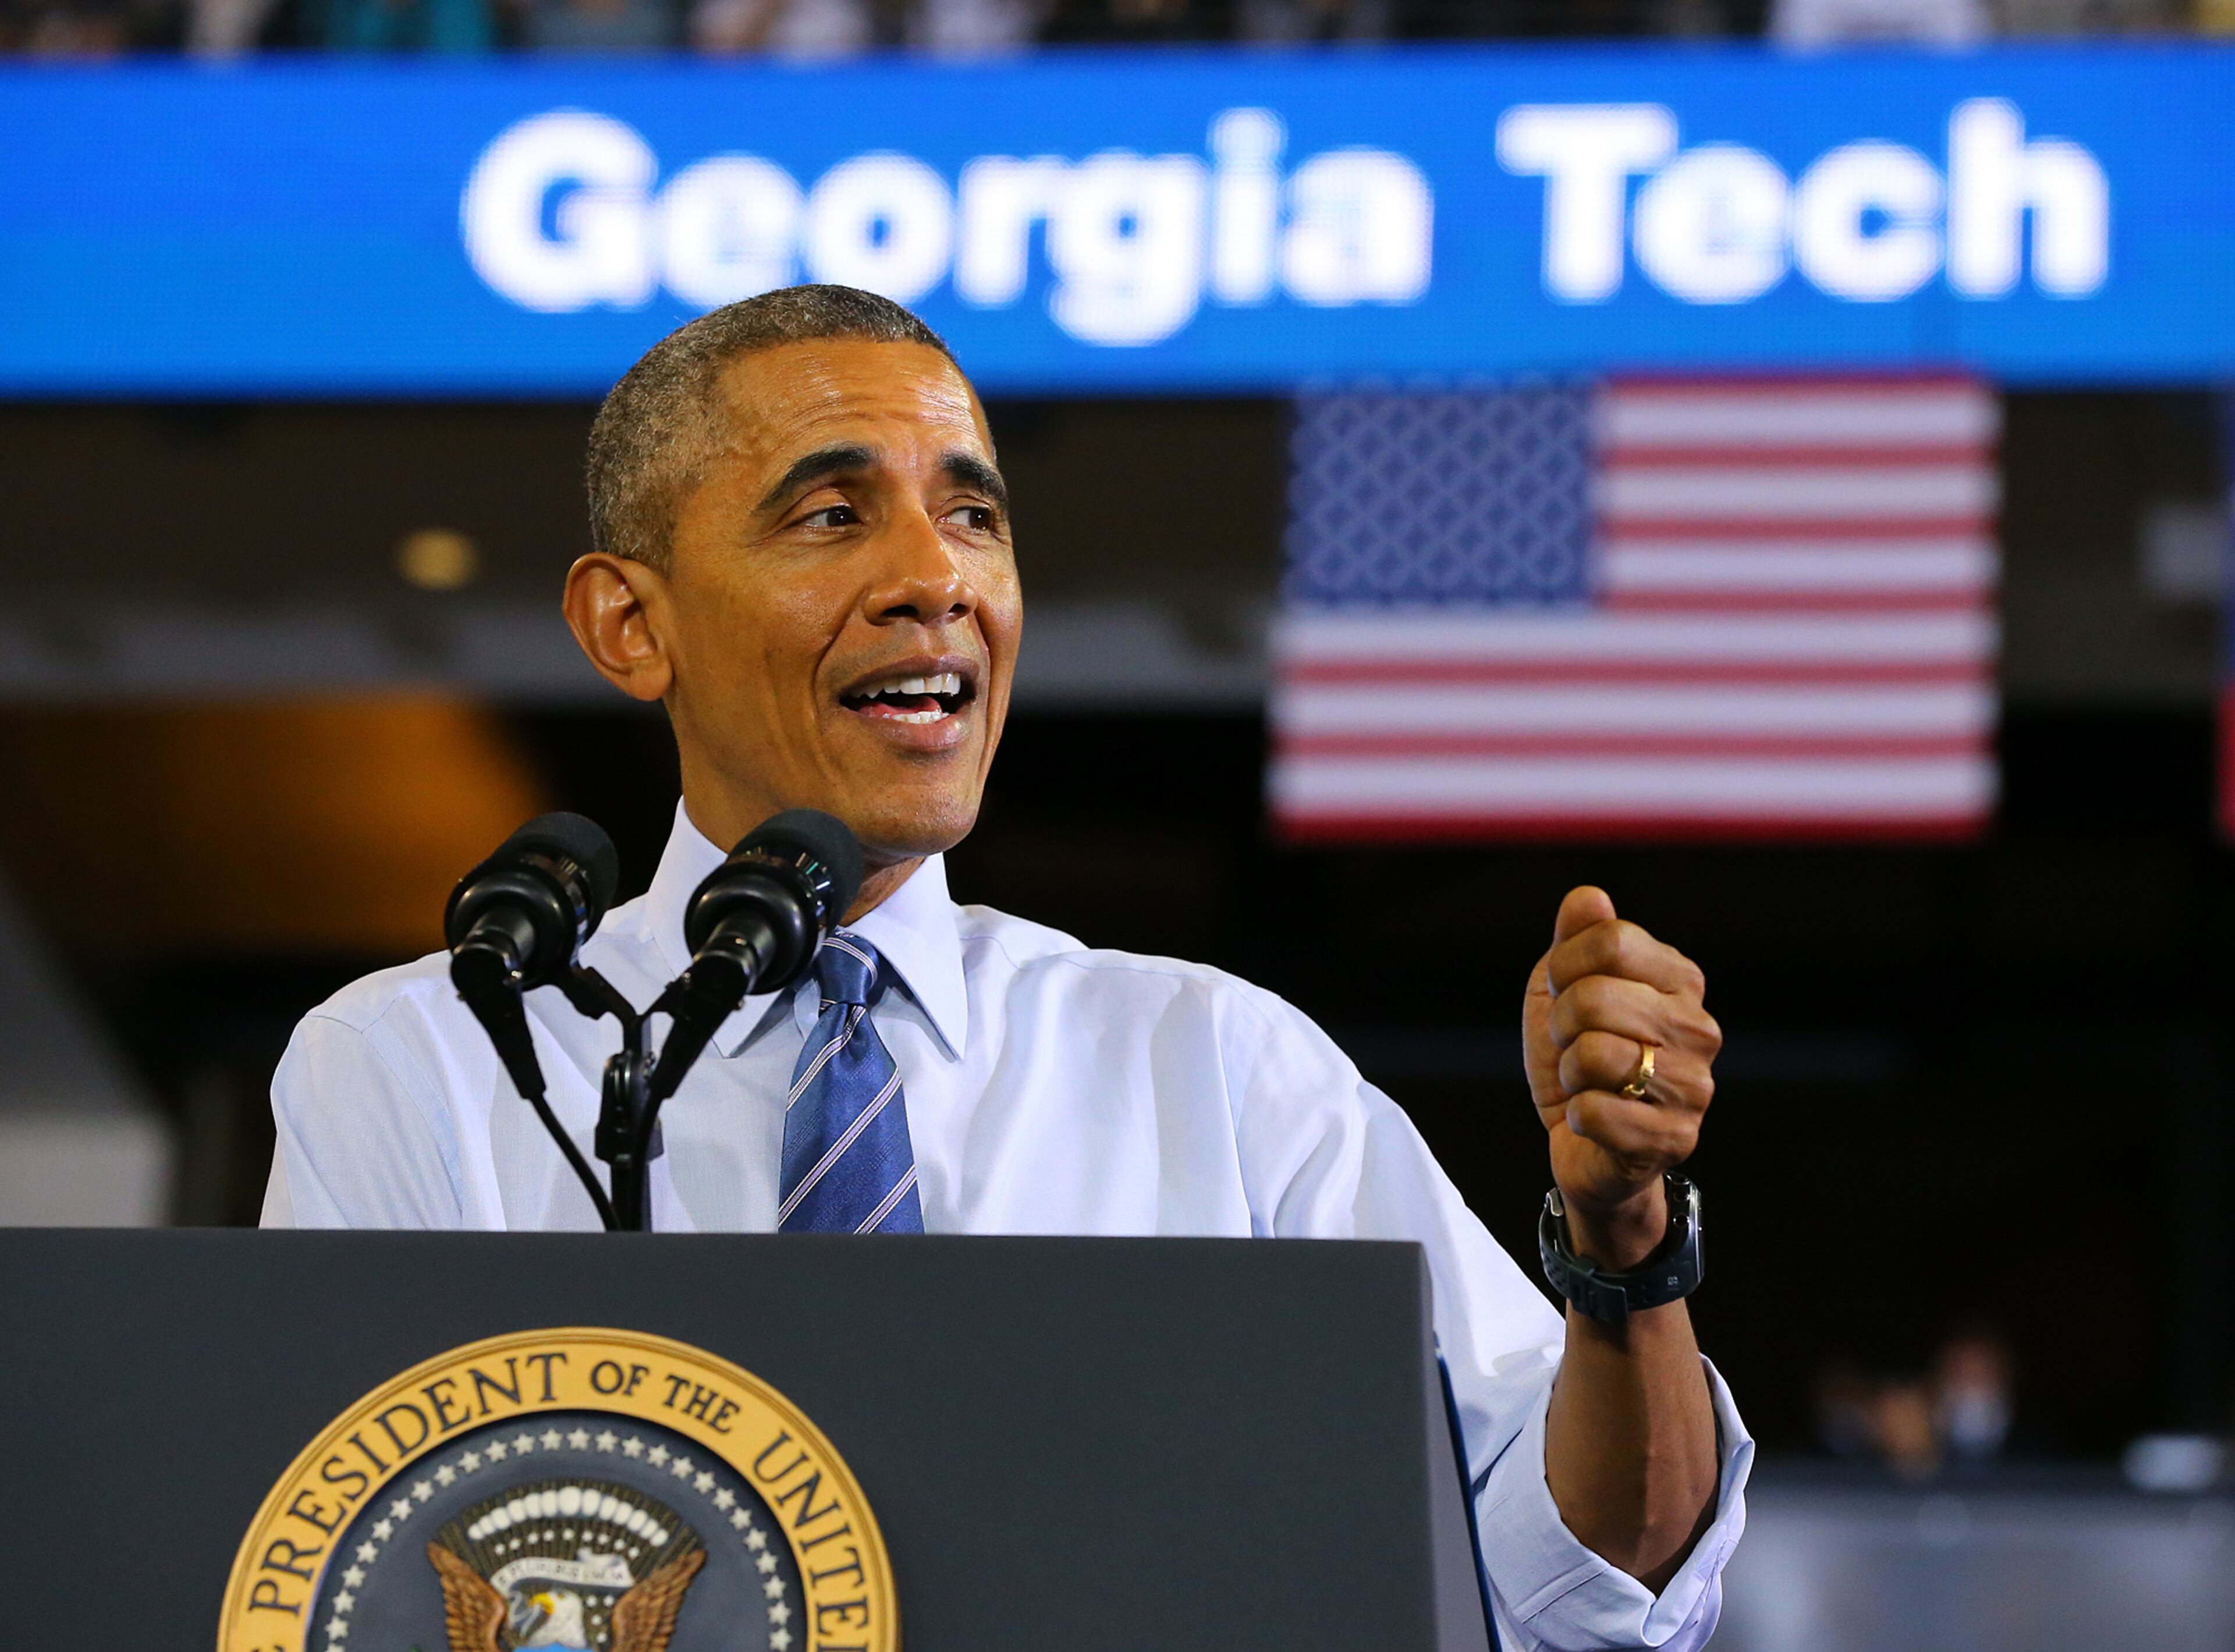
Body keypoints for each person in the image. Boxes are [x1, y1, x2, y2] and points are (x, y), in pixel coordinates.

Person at [264, 284, 1750, 1650]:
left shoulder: (1220, 1069)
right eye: (833, 517)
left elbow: (1593, 1596)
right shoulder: (437, 1062)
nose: (936, 578)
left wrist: (1625, 1253)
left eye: (973, 517)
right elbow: (332, 1588)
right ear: (629, 623)